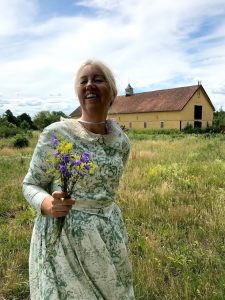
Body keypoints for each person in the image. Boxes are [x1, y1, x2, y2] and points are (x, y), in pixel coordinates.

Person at [23, 59, 135, 299]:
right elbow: (30, 184)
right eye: (83, 81)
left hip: (108, 237)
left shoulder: (122, 142)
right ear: (77, 92)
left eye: (98, 79)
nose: (90, 85)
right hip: (63, 240)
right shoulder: (56, 134)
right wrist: (47, 204)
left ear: (113, 91)